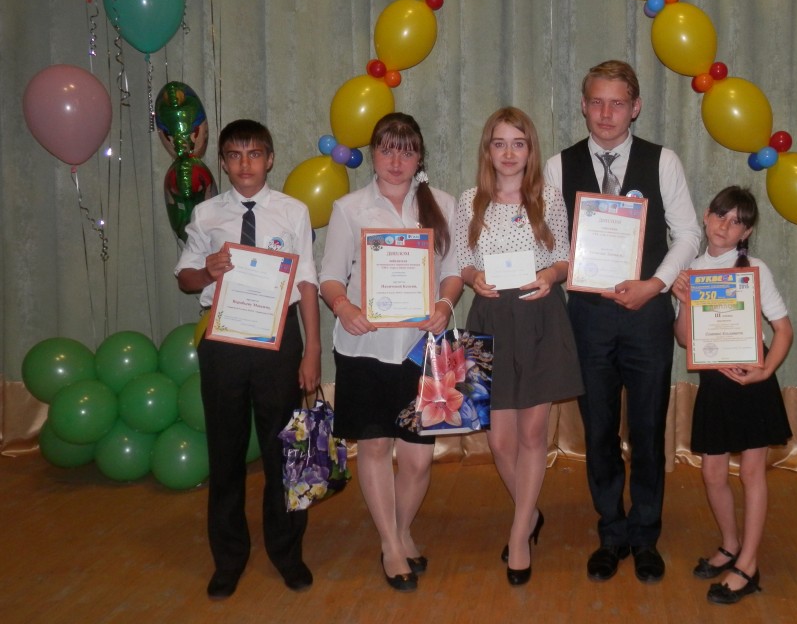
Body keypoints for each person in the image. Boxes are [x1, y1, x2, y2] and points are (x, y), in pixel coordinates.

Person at [543, 60, 701, 584]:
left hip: (647, 315)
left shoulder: (663, 161)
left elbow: (688, 234)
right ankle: (611, 532)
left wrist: (656, 284)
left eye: (617, 103)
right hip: (587, 318)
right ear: (583, 105)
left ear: (635, 108)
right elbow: (550, 242)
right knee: (599, 429)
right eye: (596, 102)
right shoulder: (558, 166)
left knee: (649, 427)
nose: (606, 113)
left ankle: (645, 534)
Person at [175, 119, 321, 600]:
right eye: (235, 155)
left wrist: (312, 349)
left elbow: (307, 282)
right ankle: (229, 557)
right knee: (226, 451)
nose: (245, 164)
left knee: (284, 451)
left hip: (281, 341)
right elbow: (185, 278)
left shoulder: (293, 211)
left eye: (254, 154)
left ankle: (287, 552)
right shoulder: (206, 213)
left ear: (270, 159)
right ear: (222, 162)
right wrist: (207, 270)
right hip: (224, 341)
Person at [319, 112, 463, 592]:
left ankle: (402, 530)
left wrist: (444, 305)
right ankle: (390, 543)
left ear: (420, 157)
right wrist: (343, 307)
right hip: (365, 346)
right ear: (373, 154)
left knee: (419, 459)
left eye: (406, 150)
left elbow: (454, 271)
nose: (396, 160)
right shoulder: (349, 208)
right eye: (386, 149)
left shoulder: (443, 204)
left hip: (423, 349)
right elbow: (330, 276)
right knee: (376, 446)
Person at [456, 107, 583, 586]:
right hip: (490, 319)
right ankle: (529, 514)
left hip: (539, 319)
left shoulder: (547, 198)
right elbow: (463, 260)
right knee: (499, 440)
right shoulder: (470, 201)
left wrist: (551, 275)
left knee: (532, 435)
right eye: (499, 143)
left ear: (530, 150)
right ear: (487, 150)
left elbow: (565, 257)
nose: (508, 153)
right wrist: (474, 277)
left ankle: (518, 535)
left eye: (518, 143)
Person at [671, 186, 793, 605]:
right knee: (712, 474)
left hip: (752, 382)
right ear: (706, 216)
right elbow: (684, 339)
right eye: (721, 215)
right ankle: (730, 544)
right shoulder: (691, 268)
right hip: (715, 385)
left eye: (737, 221)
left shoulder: (754, 268)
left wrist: (766, 370)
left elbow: (783, 329)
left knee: (752, 473)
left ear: (747, 232)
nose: (726, 226)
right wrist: (683, 300)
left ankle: (749, 565)